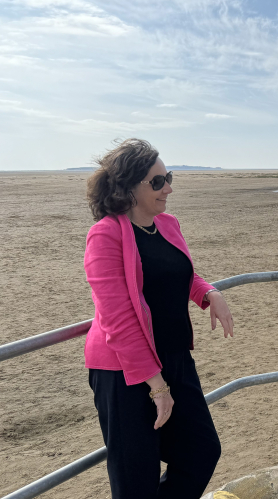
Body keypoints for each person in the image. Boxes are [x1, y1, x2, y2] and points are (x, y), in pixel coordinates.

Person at [84, 138, 234, 499]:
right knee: (137, 478)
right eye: (156, 182)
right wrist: (157, 386)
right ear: (129, 188)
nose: (167, 188)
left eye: (168, 177)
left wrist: (207, 292)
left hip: (175, 359)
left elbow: (178, 273)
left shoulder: (167, 224)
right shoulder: (105, 236)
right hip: (125, 373)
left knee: (201, 452)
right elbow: (118, 321)